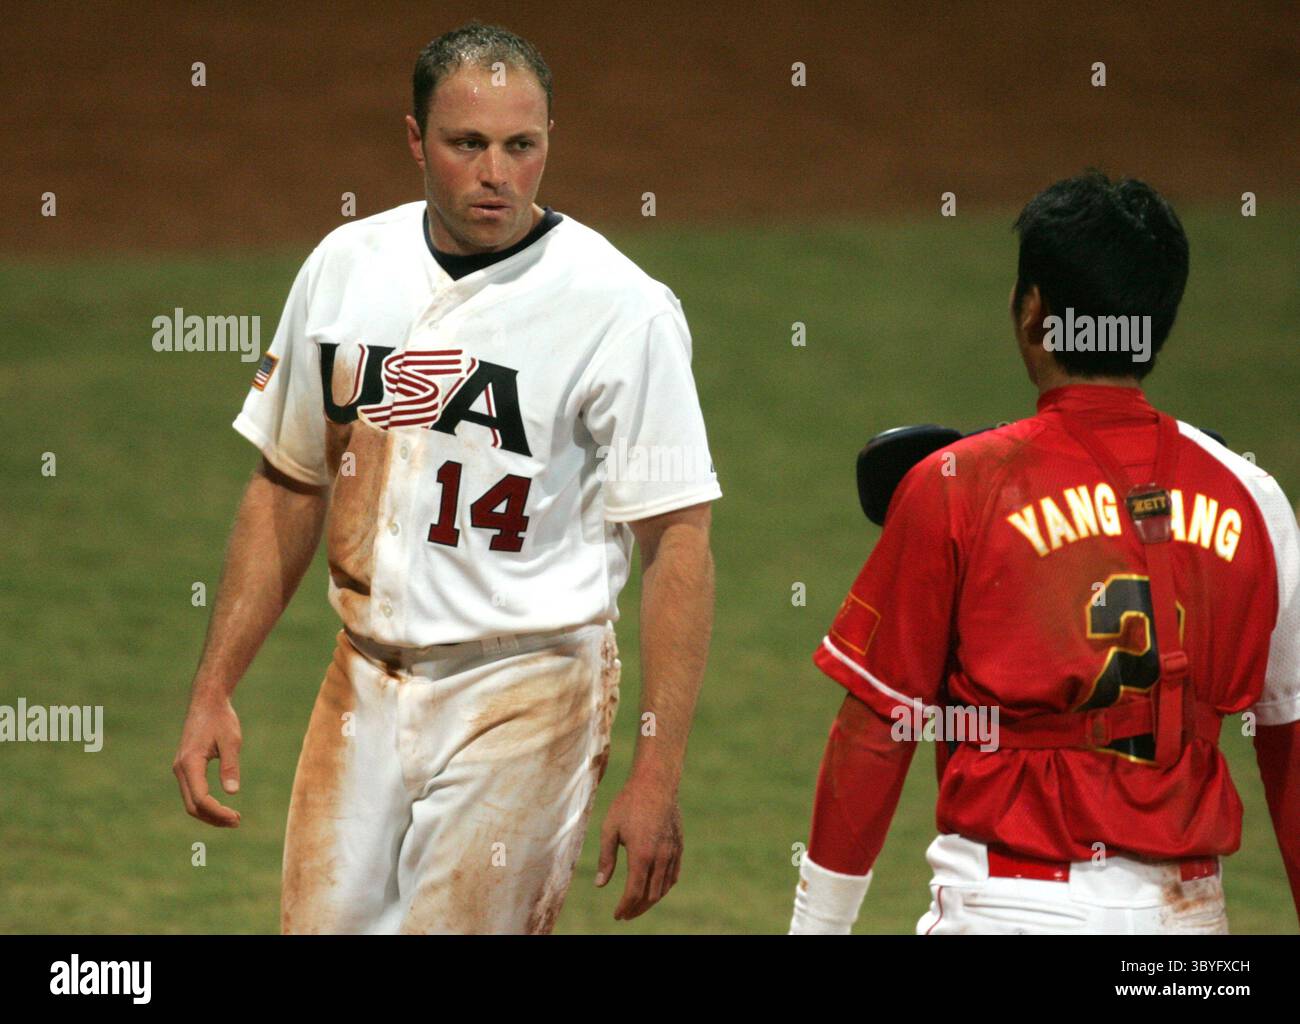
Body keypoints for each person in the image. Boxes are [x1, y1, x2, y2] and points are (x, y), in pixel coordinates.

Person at [172, 22, 721, 934]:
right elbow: (287, 482)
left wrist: (655, 774)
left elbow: (678, 541)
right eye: (468, 144)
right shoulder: (347, 267)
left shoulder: (621, 308)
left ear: (550, 141)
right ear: (416, 140)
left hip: (529, 688)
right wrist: (210, 689)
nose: (496, 173)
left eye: (523, 145)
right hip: (361, 686)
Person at [789, 171, 1300, 935]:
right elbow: (1290, 744)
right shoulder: (1253, 499)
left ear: (1033, 312)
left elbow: (876, 729)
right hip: (1191, 926)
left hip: (1011, 909)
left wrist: (815, 932)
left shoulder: (959, 484)